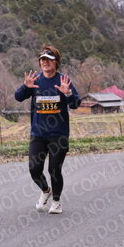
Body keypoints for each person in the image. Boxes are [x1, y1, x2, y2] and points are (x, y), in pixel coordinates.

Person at [14, 45, 80, 215]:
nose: (45, 62)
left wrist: (67, 93)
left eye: (49, 60)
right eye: (42, 60)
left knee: (54, 170)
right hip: (38, 134)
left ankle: (56, 202)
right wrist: (25, 87)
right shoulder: (35, 80)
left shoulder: (63, 80)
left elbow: (75, 104)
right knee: (34, 169)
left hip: (59, 135)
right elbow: (18, 97)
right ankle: (45, 190)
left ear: (56, 62)